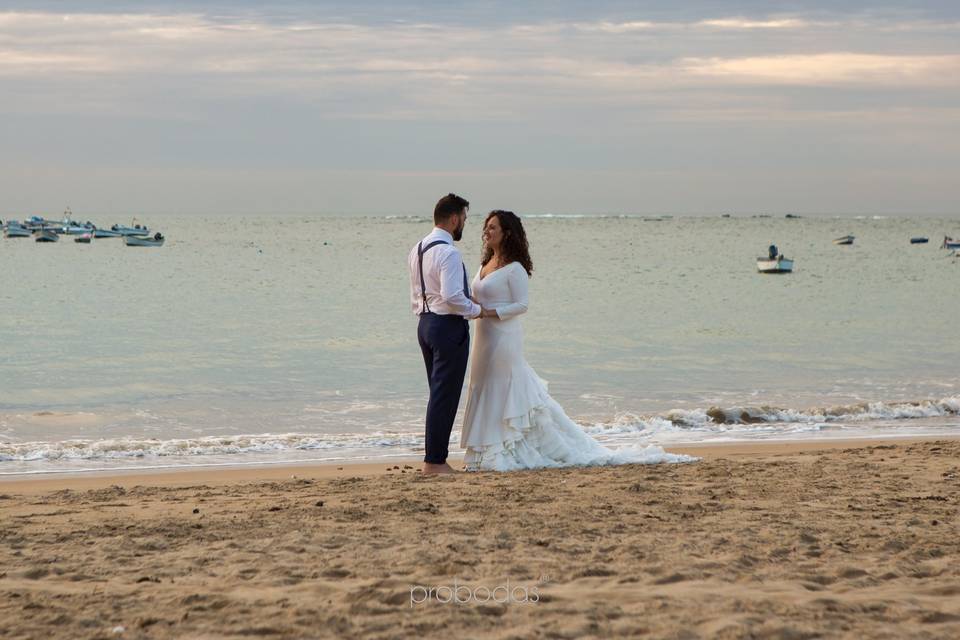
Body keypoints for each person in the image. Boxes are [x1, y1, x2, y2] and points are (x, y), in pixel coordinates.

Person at [459, 210, 693, 471]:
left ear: (507, 233)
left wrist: (489, 312)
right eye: (486, 227)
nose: (487, 232)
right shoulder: (484, 265)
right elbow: (476, 297)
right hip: (483, 336)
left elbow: (522, 305)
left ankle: (504, 449)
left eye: (493, 228)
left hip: (504, 338)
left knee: (502, 387)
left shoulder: (515, 269)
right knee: (482, 384)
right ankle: (482, 451)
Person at [408, 194, 485, 476]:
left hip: (425, 324)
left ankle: (435, 459)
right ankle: (435, 462)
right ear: (454, 219)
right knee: (445, 396)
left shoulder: (417, 249)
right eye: (464, 218)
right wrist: (477, 310)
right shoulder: (449, 253)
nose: (464, 223)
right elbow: (453, 296)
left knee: (438, 394)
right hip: (447, 326)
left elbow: (418, 292)